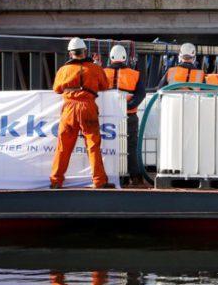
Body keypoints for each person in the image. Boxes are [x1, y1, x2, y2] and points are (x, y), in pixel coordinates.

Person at [50, 37, 112, 189]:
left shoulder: (63, 70)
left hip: (69, 109)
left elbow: (57, 89)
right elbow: (105, 85)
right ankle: (99, 181)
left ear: (70, 54)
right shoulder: (95, 69)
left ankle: (56, 181)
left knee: (63, 146)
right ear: (85, 51)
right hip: (87, 108)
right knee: (93, 145)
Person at [102, 44, 146, 184]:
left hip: (107, 117)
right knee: (130, 146)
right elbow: (141, 94)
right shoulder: (134, 74)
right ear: (125, 58)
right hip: (129, 116)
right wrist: (128, 106)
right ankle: (136, 177)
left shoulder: (102, 73)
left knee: (106, 146)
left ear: (111, 58)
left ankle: (108, 174)